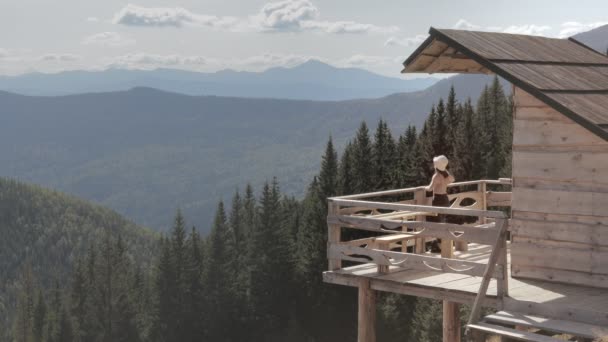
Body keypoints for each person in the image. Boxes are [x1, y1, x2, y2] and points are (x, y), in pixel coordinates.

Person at [426, 155, 455, 222]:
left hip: (437, 199)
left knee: (437, 221)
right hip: (445, 199)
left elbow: (430, 188)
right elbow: (452, 179)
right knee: (443, 220)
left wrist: (424, 188)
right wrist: (445, 170)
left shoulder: (436, 176)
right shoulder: (446, 175)